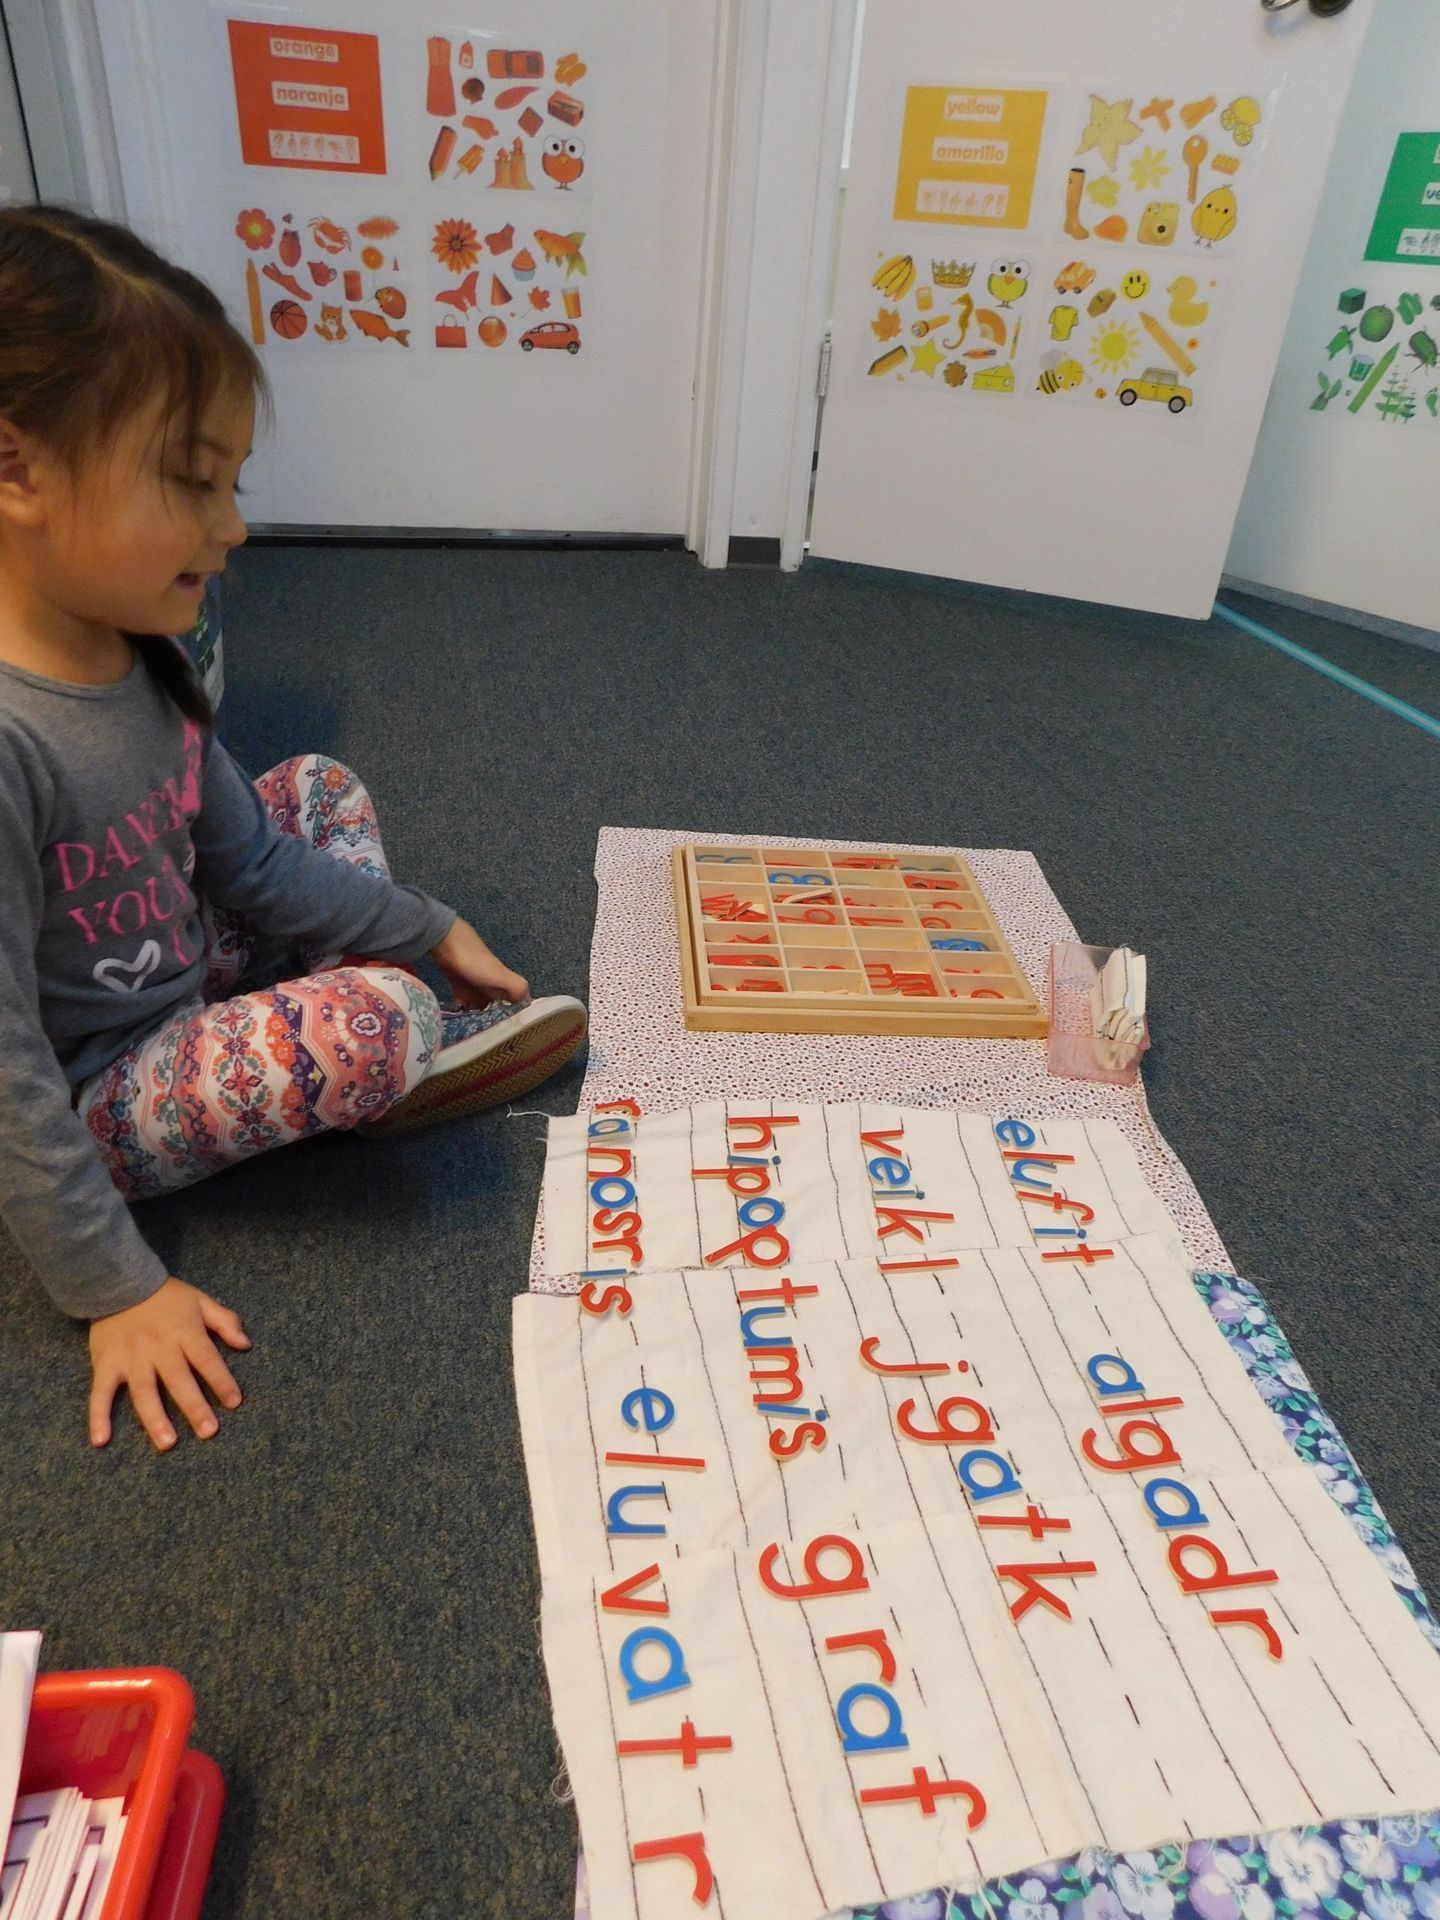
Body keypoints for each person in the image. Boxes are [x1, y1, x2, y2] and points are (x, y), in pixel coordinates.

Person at [0, 205, 587, 1454]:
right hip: (92, 1085)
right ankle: (365, 1072)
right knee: (377, 1024)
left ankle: (348, 1033)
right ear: (16, 469)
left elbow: (247, 858)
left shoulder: (143, 650)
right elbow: (3, 1066)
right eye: (191, 481)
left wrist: (430, 924)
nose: (235, 528)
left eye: (232, 484)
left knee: (317, 786)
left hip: (175, 960)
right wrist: (115, 1288)